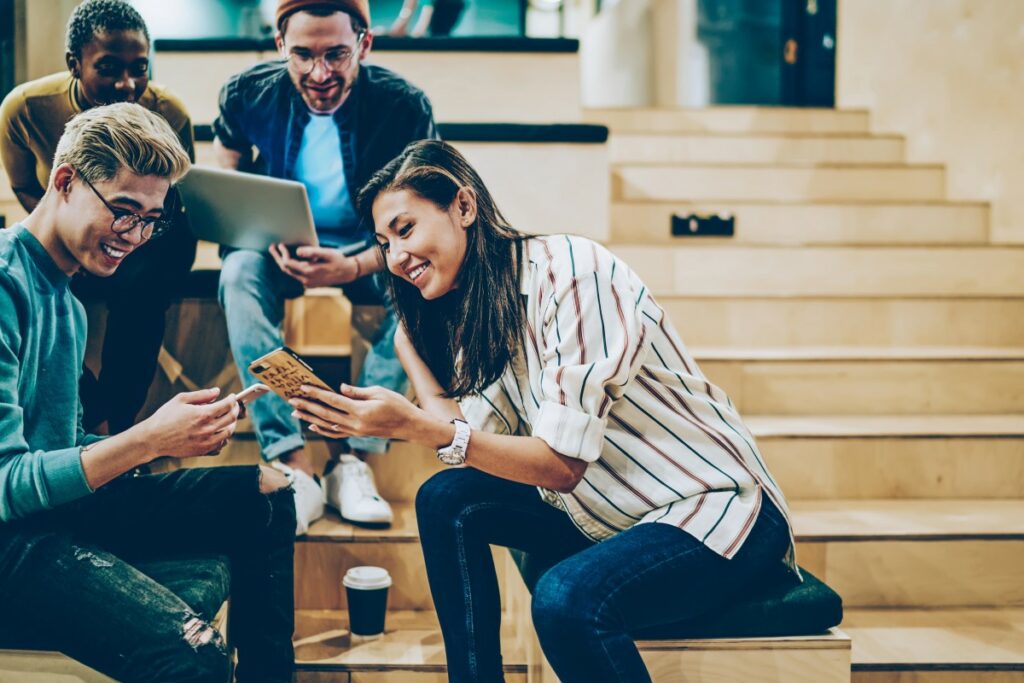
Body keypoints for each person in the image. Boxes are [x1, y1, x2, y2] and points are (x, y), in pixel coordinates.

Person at [289, 140, 799, 682]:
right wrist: (411, 355)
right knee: (445, 499)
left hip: (714, 511)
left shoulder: (574, 275)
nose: (395, 258)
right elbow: (469, 450)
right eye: (383, 242)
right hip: (610, 510)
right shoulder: (478, 313)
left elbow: (558, 465)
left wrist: (413, 425)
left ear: (464, 207)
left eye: (405, 229)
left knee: (565, 600)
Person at [0, 103, 295, 683]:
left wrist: (171, 435)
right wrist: (146, 440)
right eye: (124, 211)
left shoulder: (66, 296)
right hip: (11, 539)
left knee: (266, 490)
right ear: (64, 182)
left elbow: (56, 443)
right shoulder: (7, 284)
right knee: (194, 652)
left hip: (53, 512)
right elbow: (7, 481)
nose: (134, 236)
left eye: (150, 220)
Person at [214, 0, 438, 534]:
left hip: (370, 248)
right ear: (279, 48)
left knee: (423, 289)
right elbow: (227, 171)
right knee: (237, 273)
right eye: (303, 55)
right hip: (279, 247)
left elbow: (427, 222)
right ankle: (292, 461)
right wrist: (256, 231)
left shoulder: (404, 106)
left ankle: (353, 458)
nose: (320, 73)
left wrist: (356, 264)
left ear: (364, 43)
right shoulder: (248, 92)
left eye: (337, 54)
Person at [0, 0, 197, 435]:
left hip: (149, 247)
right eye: (109, 68)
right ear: (75, 63)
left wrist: (123, 233)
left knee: (143, 285)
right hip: (67, 233)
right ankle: (98, 428)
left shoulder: (172, 112)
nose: (128, 84)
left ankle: (114, 424)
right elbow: (28, 189)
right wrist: (78, 240)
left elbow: (165, 202)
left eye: (140, 68)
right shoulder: (25, 109)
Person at [387, 0, 468, 37]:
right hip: (448, 5)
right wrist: (402, 21)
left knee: (438, 35)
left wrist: (421, 28)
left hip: (449, 5)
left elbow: (429, 5)